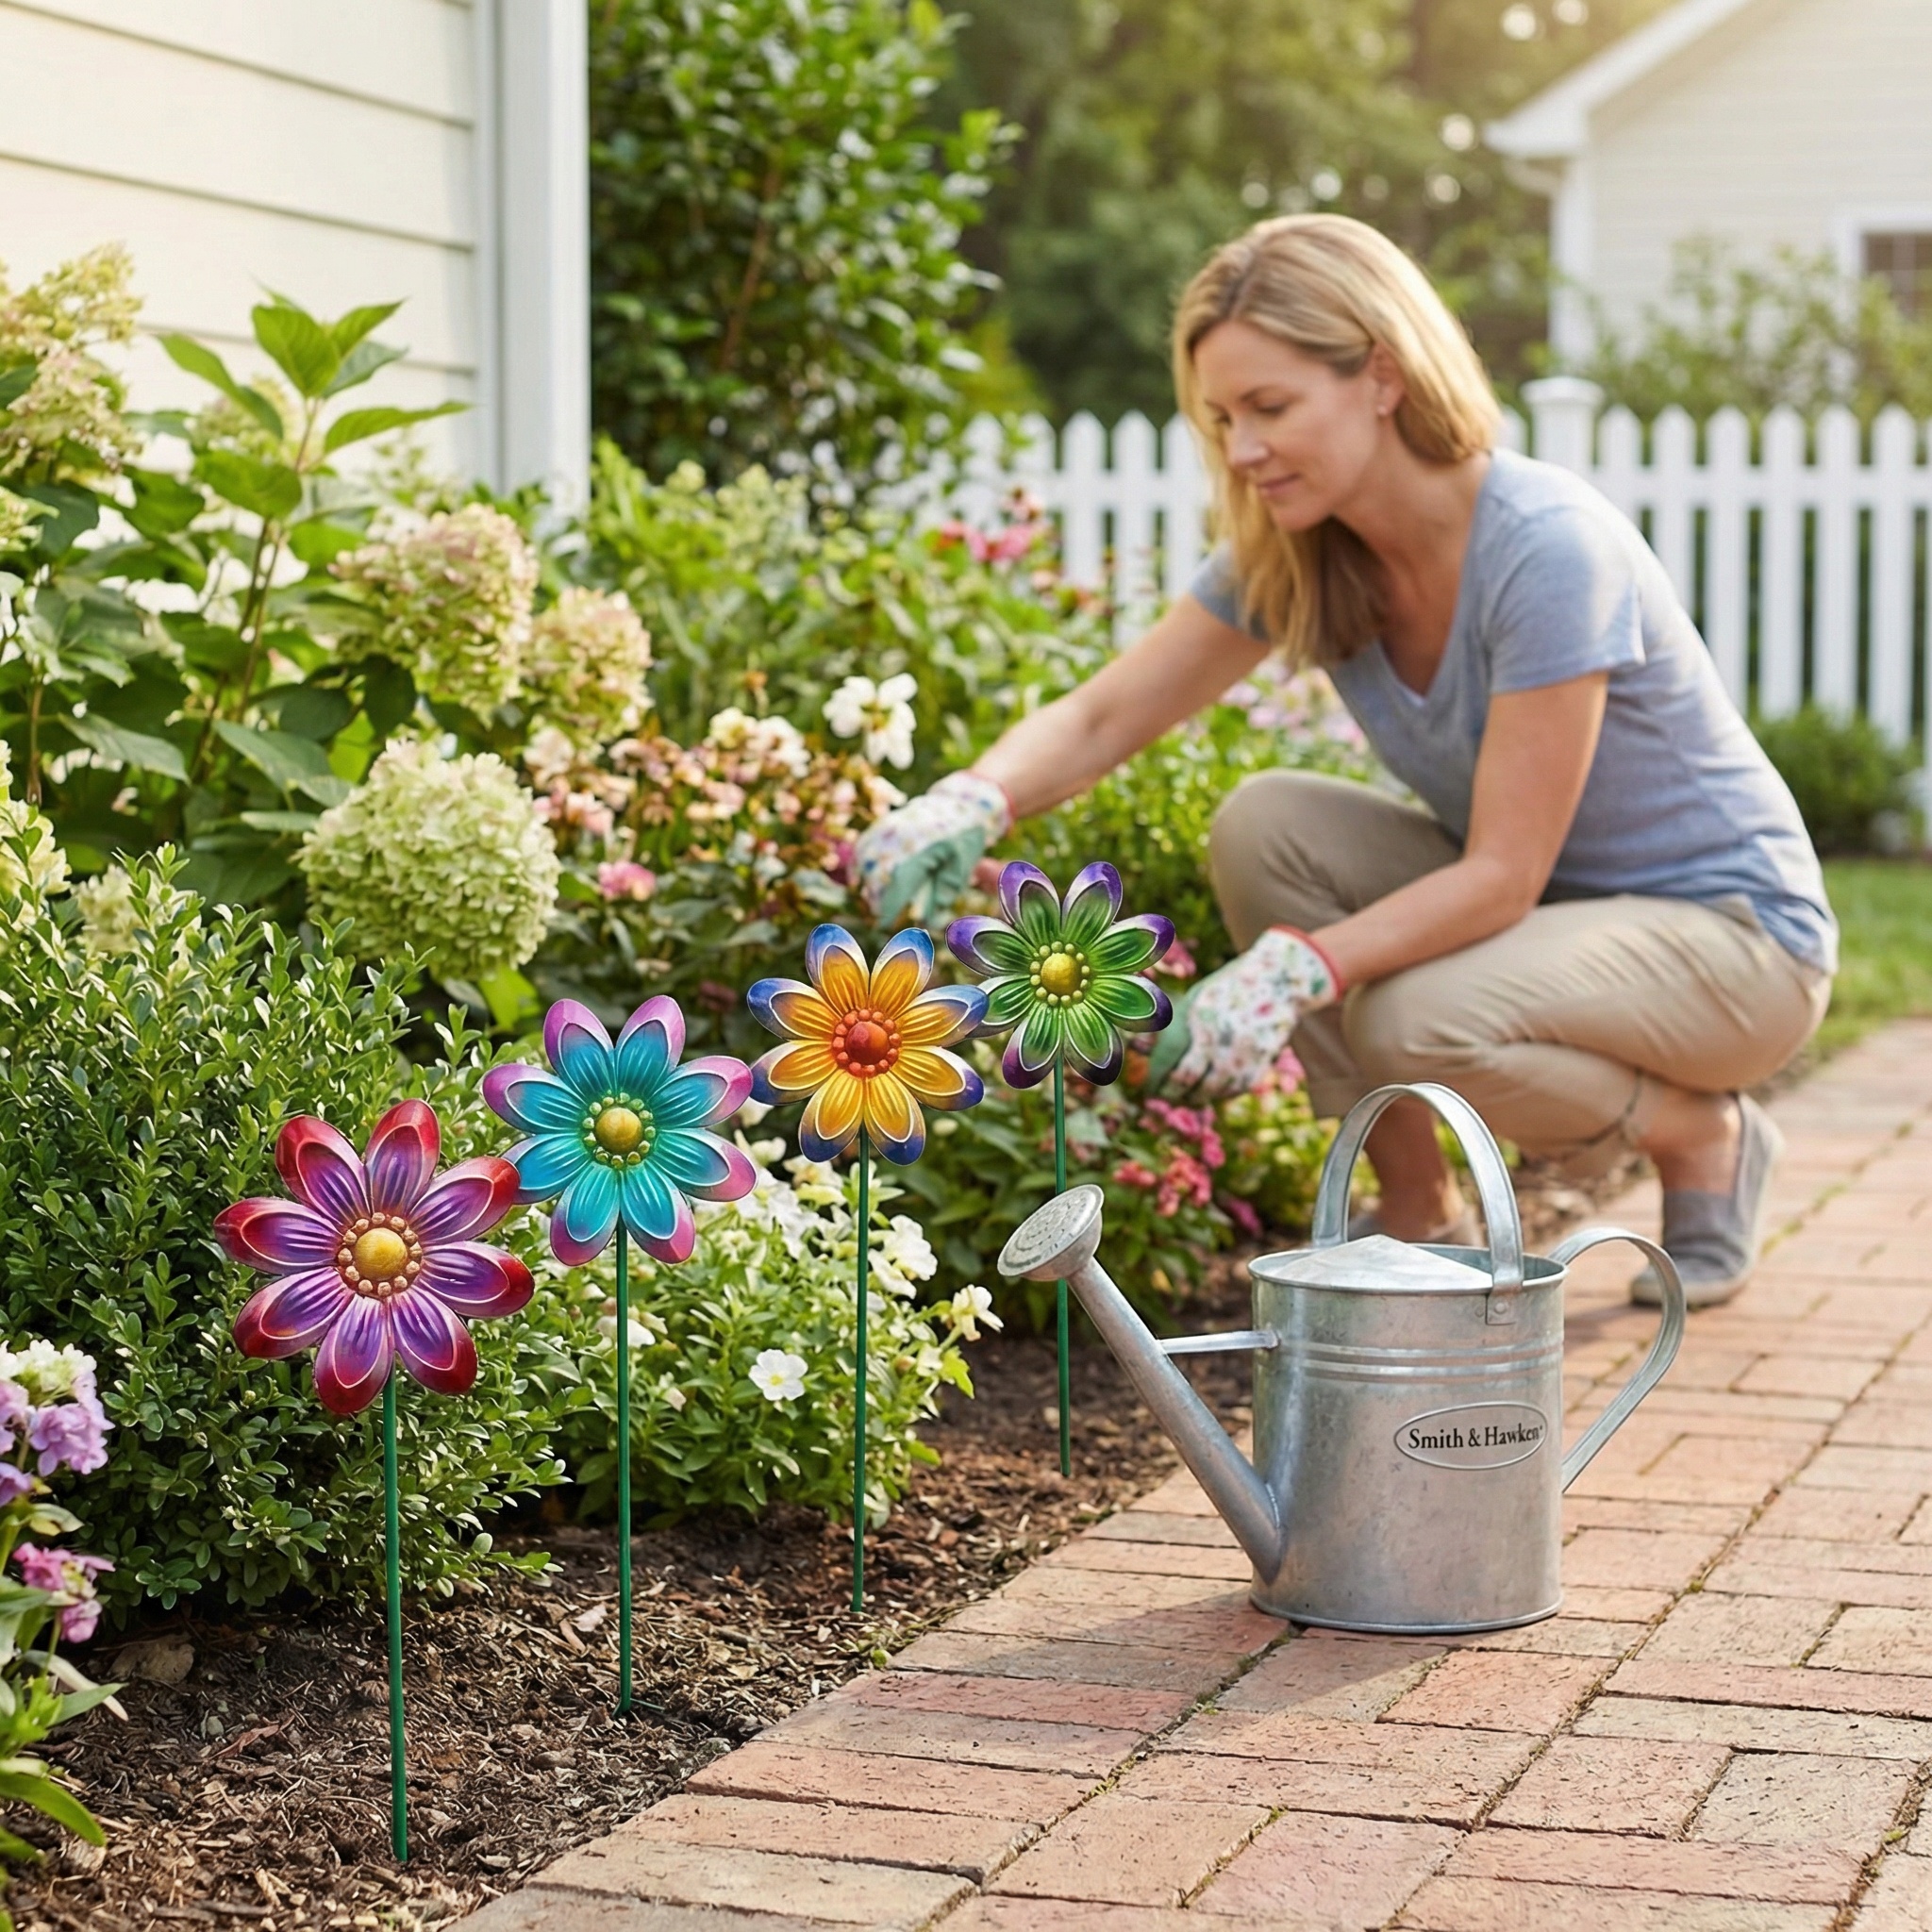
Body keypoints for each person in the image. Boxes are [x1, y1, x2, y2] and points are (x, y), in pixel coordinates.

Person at [854, 215, 1834, 1308]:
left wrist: (1289, 970)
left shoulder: (1545, 546)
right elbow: (1102, 716)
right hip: (1556, 917)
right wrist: (966, 799)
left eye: (1269, 408)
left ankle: (1700, 1134)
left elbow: (1504, 872)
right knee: (1265, 824)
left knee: (1410, 1021)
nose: (1239, 449)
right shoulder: (1301, 553)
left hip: (1734, 941)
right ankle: (1418, 1208)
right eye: (1222, 417)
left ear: (1380, 372)